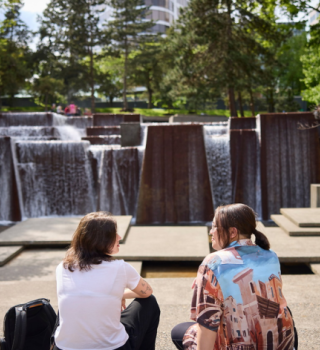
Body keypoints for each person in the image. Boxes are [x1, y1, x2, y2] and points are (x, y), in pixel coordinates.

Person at [171, 203, 296, 350]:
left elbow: (207, 324)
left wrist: (205, 277)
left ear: (232, 232)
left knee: (178, 331)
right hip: (281, 343)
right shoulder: (271, 255)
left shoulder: (213, 263)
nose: (211, 232)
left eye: (214, 227)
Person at [53, 212, 160, 350]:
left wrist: (118, 294)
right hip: (112, 348)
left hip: (63, 348)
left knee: (69, 305)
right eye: (114, 234)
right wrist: (121, 294)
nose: (119, 237)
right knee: (150, 302)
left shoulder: (62, 267)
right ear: (101, 240)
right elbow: (146, 292)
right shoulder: (121, 268)